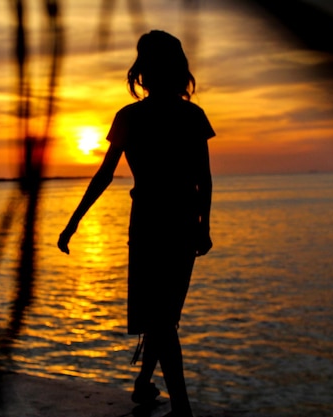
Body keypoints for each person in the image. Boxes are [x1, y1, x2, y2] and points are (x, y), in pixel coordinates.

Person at [57, 30, 215, 417]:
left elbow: (104, 175)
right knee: (163, 317)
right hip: (176, 223)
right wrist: (203, 224)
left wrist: (73, 222)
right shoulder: (188, 115)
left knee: (161, 318)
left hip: (152, 224)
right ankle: (175, 402)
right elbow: (203, 179)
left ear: (142, 70)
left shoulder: (133, 116)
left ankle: (154, 389)